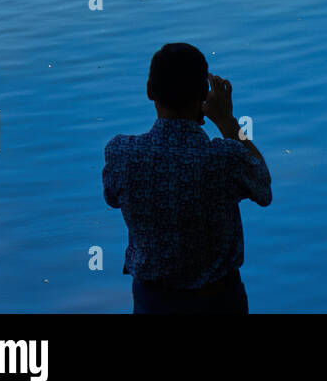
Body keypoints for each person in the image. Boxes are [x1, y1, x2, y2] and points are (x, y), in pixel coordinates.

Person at [102, 43, 272, 313]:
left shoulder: (123, 154)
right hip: (219, 302)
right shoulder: (224, 158)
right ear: (204, 97)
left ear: (149, 91)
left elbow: (112, 197)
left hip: (153, 303)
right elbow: (263, 187)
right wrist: (228, 121)